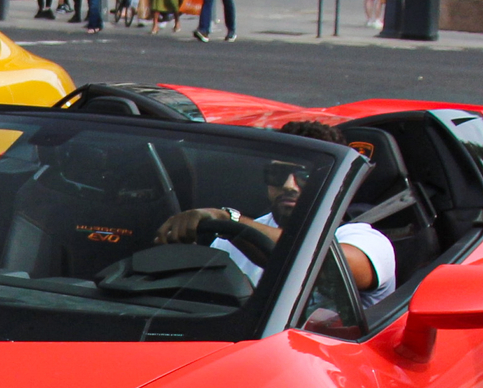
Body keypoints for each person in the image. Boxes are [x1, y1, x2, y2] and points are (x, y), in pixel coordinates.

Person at [151, 123, 397, 309]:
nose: (289, 185)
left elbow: (326, 265)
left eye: (305, 176)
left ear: (335, 184)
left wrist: (228, 221)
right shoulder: (230, 238)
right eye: (278, 173)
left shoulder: (367, 241)